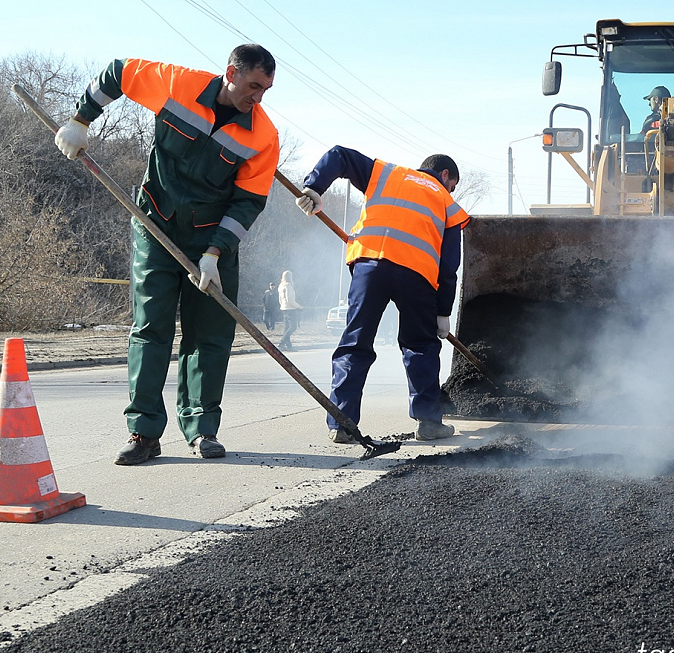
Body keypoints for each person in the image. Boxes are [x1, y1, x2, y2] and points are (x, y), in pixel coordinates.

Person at [54, 45, 280, 464]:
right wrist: (80, 119)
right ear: (231, 72)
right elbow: (118, 72)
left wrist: (214, 253)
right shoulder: (178, 85)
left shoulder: (263, 136)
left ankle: (202, 429)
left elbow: (248, 202)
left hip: (211, 243)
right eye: (253, 86)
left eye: (266, 90)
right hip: (155, 224)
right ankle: (143, 433)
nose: (258, 98)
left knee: (210, 336)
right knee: (150, 328)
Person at [295, 146, 470, 442]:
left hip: (369, 267)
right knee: (420, 346)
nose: (450, 190)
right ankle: (428, 423)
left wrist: (314, 186)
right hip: (417, 276)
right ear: (445, 176)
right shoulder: (447, 203)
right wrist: (443, 312)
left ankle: (342, 423)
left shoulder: (387, 173)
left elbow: (340, 155)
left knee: (354, 343)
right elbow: (449, 265)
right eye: (452, 185)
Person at [277, 271, 303, 350]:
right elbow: (290, 300)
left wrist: (282, 305)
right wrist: (298, 306)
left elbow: (280, 299)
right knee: (293, 327)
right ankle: (281, 343)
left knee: (286, 328)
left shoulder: (281, 286)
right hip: (291, 309)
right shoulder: (288, 286)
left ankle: (288, 346)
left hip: (284, 308)